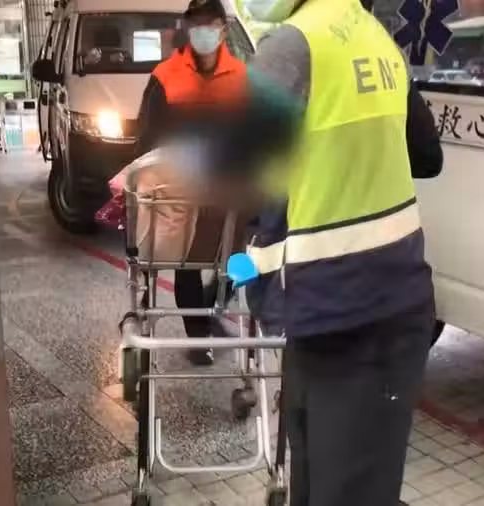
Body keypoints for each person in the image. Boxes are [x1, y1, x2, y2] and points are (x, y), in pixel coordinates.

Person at [178, 0, 444, 503]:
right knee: (329, 485)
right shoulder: (376, 38)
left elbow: (226, 168)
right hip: (373, 307)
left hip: (340, 315)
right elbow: (428, 156)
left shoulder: (293, 47)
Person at [134, 0, 247, 366]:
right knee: (186, 265)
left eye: (210, 25)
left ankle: (215, 305)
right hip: (179, 193)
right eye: (196, 25)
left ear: (223, 29)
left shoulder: (240, 78)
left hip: (225, 195)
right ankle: (200, 337)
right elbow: (147, 141)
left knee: (241, 260)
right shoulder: (166, 77)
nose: (203, 33)